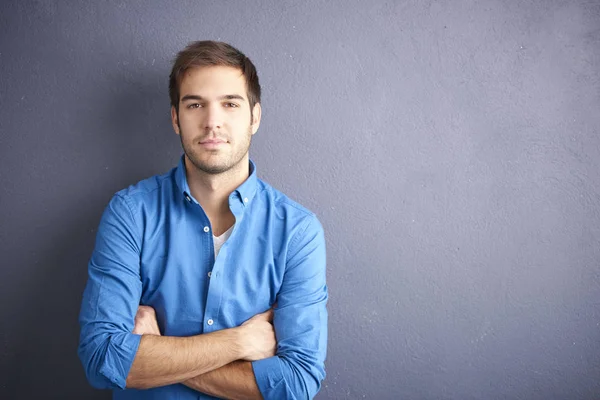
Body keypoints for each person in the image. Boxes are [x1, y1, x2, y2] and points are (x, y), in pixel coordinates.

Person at [78, 40, 328, 400]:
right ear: (176, 118)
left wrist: (157, 348)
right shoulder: (131, 214)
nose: (213, 122)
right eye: (195, 104)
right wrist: (238, 342)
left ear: (254, 117)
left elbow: (296, 383)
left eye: (230, 104)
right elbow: (102, 358)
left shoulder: (298, 232)